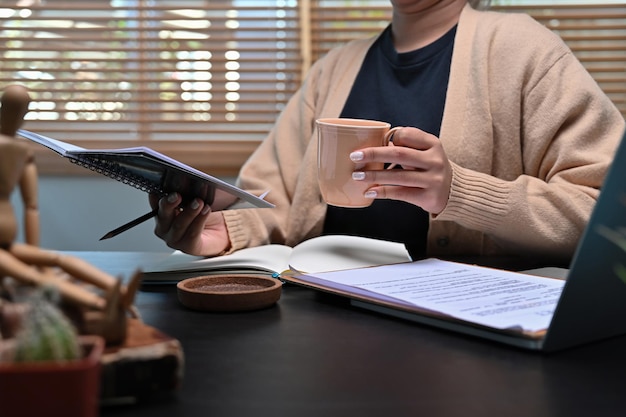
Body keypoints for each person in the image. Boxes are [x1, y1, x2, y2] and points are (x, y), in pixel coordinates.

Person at [151, 0, 625, 266]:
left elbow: (607, 217)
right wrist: (223, 233)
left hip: (468, 338)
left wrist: (459, 192)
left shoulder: (524, 50)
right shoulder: (332, 69)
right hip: (325, 324)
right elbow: (278, 206)